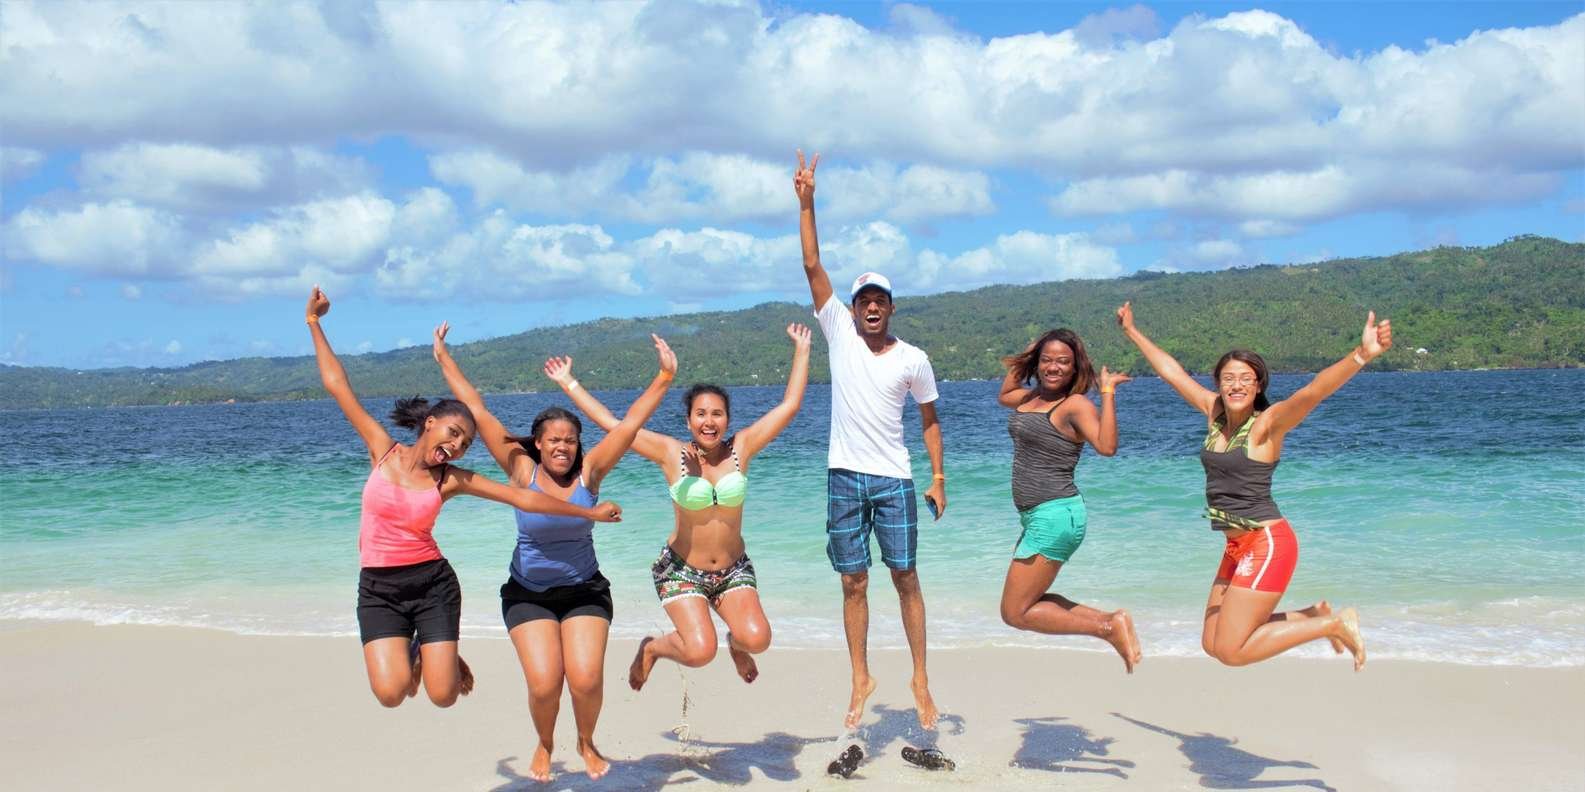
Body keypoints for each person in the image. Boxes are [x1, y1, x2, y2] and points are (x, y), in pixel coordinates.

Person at [304, 287, 621, 712]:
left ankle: (440, 657)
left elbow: (524, 499)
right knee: (391, 693)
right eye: (452, 434)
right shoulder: (382, 451)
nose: (456, 446)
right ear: (429, 423)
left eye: (465, 443)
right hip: (378, 588)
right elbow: (338, 385)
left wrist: (587, 512)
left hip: (433, 584)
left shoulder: (450, 480)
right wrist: (314, 323)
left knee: (443, 695)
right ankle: (421, 650)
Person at [432, 325, 674, 781]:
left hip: (585, 591)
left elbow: (628, 426)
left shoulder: (591, 471)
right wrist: (444, 358)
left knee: (584, 680)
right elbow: (478, 409)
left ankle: (586, 741)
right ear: (538, 443)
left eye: (570, 440)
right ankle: (545, 743)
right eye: (553, 440)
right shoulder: (520, 470)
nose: (562, 446)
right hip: (527, 593)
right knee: (545, 684)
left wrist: (663, 378)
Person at [1116, 300, 1387, 670]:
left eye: (1246, 378)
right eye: (1228, 378)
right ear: (1219, 384)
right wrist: (1132, 331)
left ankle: (1335, 624)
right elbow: (1173, 374)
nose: (1236, 385)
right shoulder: (1214, 414)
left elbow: (1312, 392)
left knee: (1231, 651)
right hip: (1235, 545)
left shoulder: (1267, 424)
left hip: (1267, 541)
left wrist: (1360, 355)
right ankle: (1313, 615)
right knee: (1212, 643)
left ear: (1258, 385)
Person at [543, 324, 812, 693]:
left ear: (727, 420)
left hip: (733, 569)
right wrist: (568, 382)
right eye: (701, 414)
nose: (709, 421)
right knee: (701, 652)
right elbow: (613, 424)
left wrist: (802, 348)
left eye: (717, 414)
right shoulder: (670, 453)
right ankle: (652, 648)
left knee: (758, 639)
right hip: (682, 570)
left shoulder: (742, 448)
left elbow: (790, 405)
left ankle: (737, 647)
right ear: (688, 421)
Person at [794, 150, 946, 731]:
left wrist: (938, 479)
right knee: (852, 580)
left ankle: (920, 679)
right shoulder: (839, 333)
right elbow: (812, 263)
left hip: (896, 479)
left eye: (880, 299)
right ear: (852, 310)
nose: (872, 306)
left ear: (890, 305)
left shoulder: (915, 359)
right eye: (864, 300)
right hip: (843, 475)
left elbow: (930, 421)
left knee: (905, 576)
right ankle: (860, 675)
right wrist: (807, 202)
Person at [997, 329, 1142, 671]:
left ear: (1075, 367)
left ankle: (1108, 627)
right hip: (1038, 517)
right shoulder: (1030, 398)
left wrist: (1107, 393)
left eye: (1063, 361)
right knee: (1027, 604)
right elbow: (1004, 394)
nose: (1053, 367)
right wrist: (1029, 351)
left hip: (1056, 515)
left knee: (1015, 612)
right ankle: (1112, 621)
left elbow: (1106, 447)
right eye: (1046, 360)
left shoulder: (1074, 404)